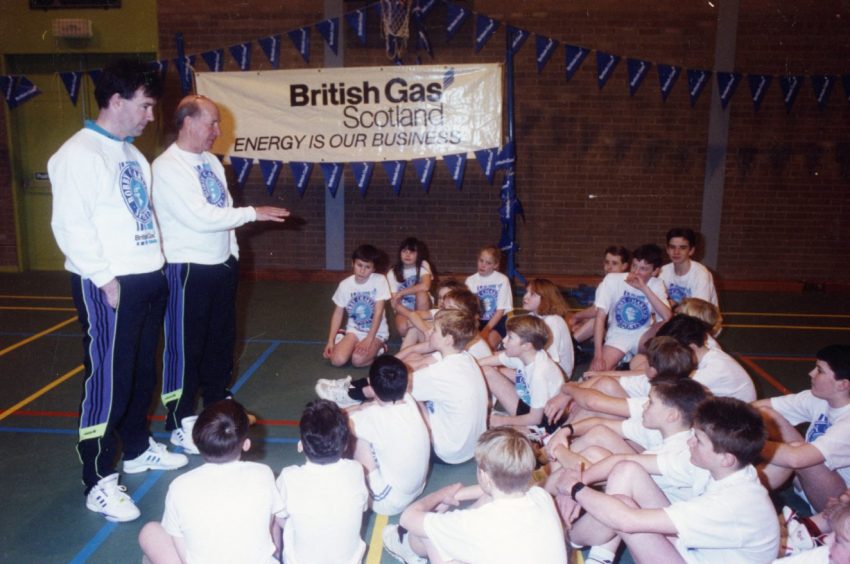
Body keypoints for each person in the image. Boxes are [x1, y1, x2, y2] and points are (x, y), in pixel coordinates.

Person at [48, 59, 187, 522]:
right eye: (145, 106)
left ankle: (138, 448)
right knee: (107, 381)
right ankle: (99, 480)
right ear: (116, 101)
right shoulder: (79, 154)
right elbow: (70, 225)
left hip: (147, 278)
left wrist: (158, 269)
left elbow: (140, 218)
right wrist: (107, 281)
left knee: (139, 374)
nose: (151, 117)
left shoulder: (132, 155)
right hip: (110, 284)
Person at [153, 94, 290, 454]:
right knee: (186, 349)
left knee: (220, 343)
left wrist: (232, 258)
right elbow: (199, 216)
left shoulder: (212, 163)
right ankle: (179, 420)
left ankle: (217, 405)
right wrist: (252, 213)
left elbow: (223, 213)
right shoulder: (167, 168)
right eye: (211, 122)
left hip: (220, 268)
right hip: (187, 269)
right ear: (187, 123)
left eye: (217, 122)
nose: (218, 130)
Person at [558, 397, 780, 564]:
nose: (690, 442)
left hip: (695, 556)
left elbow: (628, 521)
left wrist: (575, 489)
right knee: (627, 471)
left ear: (727, 459)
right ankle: (588, 552)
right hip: (695, 551)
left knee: (622, 510)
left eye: (698, 440)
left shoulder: (733, 503)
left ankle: (566, 541)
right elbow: (625, 459)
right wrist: (581, 478)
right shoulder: (725, 466)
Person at [546, 378, 710, 564]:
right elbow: (601, 425)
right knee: (597, 444)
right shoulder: (667, 430)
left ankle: (570, 536)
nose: (644, 406)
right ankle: (543, 492)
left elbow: (622, 466)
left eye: (651, 402)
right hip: (654, 502)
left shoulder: (682, 452)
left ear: (671, 415)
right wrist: (565, 431)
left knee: (619, 474)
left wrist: (573, 486)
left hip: (668, 530)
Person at [382, 428, 568, 564]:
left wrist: (441, 494)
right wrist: (457, 495)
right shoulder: (541, 496)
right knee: (471, 513)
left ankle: (407, 549)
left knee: (431, 534)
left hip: (477, 531)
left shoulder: (476, 523)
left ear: (485, 476)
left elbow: (408, 517)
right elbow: (491, 492)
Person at [138, 399, 283, 564]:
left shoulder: (179, 486)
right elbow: (272, 530)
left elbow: (183, 553)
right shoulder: (263, 474)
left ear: (194, 441)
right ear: (246, 444)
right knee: (274, 514)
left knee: (150, 532)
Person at [755, 345, 850, 512]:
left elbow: (797, 459)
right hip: (811, 483)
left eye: (819, 370)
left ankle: (742, 488)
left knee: (797, 452)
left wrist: (742, 443)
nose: (811, 373)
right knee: (765, 414)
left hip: (839, 505)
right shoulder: (819, 398)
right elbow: (759, 406)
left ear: (842, 384)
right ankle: (743, 485)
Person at [276, 400, 368, 564]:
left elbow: (280, 517)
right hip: (350, 560)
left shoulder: (289, 476)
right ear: (346, 445)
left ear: (301, 446)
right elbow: (364, 507)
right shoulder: (356, 470)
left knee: (275, 513)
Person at [348, 356, 430, 515]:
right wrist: (359, 408)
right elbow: (370, 406)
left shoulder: (372, 418)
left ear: (371, 386)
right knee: (366, 419)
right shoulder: (409, 399)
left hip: (388, 502)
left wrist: (347, 410)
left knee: (356, 438)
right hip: (418, 488)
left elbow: (338, 424)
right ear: (406, 383)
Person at [410, 309, 489, 464]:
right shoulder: (466, 358)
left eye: (435, 330)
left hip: (448, 452)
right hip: (472, 446)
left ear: (448, 340)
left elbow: (397, 388)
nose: (430, 331)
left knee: (399, 398)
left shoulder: (441, 373)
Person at [591, 244, 672, 371]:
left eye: (643, 269)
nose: (635, 272)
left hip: (643, 335)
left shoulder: (657, 284)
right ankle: (622, 364)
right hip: (619, 335)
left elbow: (667, 317)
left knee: (667, 324)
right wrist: (598, 355)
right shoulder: (612, 280)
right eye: (634, 266)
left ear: (655, 271)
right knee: (594, 373)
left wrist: (644, 288)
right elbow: (600, 317)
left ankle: (627, 365)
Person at [478, 315, 565, 429]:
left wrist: (501, 421)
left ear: (526, 346)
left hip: (543, 423)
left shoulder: (539, 374)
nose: (504, 341)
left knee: (502, 439)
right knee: (486, 372)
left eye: (510, 337)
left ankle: (511, 423)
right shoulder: (527, 355)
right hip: (528, 405)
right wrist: (465, 366)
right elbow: (489, 360)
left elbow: (536, 418)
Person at [658, 314, 756, 402]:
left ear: (692, 347)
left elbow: (666, 391)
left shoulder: (713, 370)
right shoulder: (707, 351)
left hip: (735, 419)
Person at [324, 244, 391, 367]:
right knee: (337, 360)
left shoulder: (379, 280)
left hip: (376, 333)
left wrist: (369, 339)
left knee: (357, 360)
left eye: (367, 267)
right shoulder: (345, 285)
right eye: (359, 265)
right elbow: (338, 313)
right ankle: (343, 338)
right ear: (352, 263)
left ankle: (380, 348)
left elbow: (378, 313)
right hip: (354, 331)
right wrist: (330, 341)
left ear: (373, 269)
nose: (362, 270)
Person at [570, 246, 631, 345]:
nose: (609, 267)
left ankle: (572, 345)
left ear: (624, 266)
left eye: (614, 263)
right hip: (622, 329)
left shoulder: (609, 283)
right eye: (607, 262)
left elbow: (596, 311)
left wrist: (576, 316)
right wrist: (582, 322)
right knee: (589, 322)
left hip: (620, 332)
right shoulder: (627, 280)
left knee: (594, 321)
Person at [522, 278, 575, 377]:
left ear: (545, 299)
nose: (525, 297)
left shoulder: (552, 321)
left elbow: (550, 358)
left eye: (532, 294)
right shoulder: (531, 316)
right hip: (541, 366)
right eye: (526, 292)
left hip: (558, 373)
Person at [465, 246, 513, 349]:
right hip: (477, 320)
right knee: (470, 345)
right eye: (481, 260)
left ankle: (498, 344)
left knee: (487, 344)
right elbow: (468, 308)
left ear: (495, 265)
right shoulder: (470, 280)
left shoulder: (502, 280)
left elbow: (500, 311)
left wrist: (485, 332)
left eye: (488, 263)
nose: (483, 265)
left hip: (497, 321)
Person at [387, 237, 433, 341]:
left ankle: (421, 333)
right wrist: (412, 316)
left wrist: (402, 292)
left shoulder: (422, 269)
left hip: (422, 307)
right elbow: (395, 302)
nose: (407, 255)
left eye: (412, 252)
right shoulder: (392, 273)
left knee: (421, 293)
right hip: (403, 308)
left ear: (418, 254)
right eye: (404, 251)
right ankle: (419, 330)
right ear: (400, 253)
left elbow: (426, 286)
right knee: (403, 328)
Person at [659, 227, 719, 307]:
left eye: (682, 248)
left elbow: (698, 311)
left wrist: (674, 306)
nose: (676, 252)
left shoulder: (701, 274)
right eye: (672, 247)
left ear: (691, 251)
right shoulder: (664, 271)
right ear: (667, 250)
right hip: (677, 317)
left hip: (701, 318)